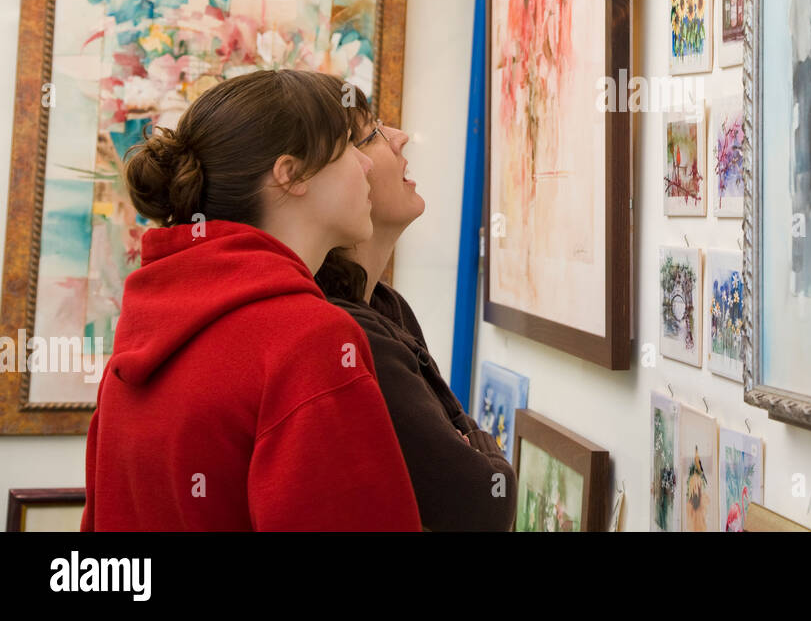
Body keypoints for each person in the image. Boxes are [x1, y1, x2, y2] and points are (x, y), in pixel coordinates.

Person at [82, 68, 421, 531]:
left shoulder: (141, 334)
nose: (366, 165)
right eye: (346, 148)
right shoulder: (309, 340)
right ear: (292, 174)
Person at [314, 77, 517, 531]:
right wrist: (477, 445)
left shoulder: (386, 305)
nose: (400, 137)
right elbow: (482, 499)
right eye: (372, 133)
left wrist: (471, 445)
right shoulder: (352, 333)